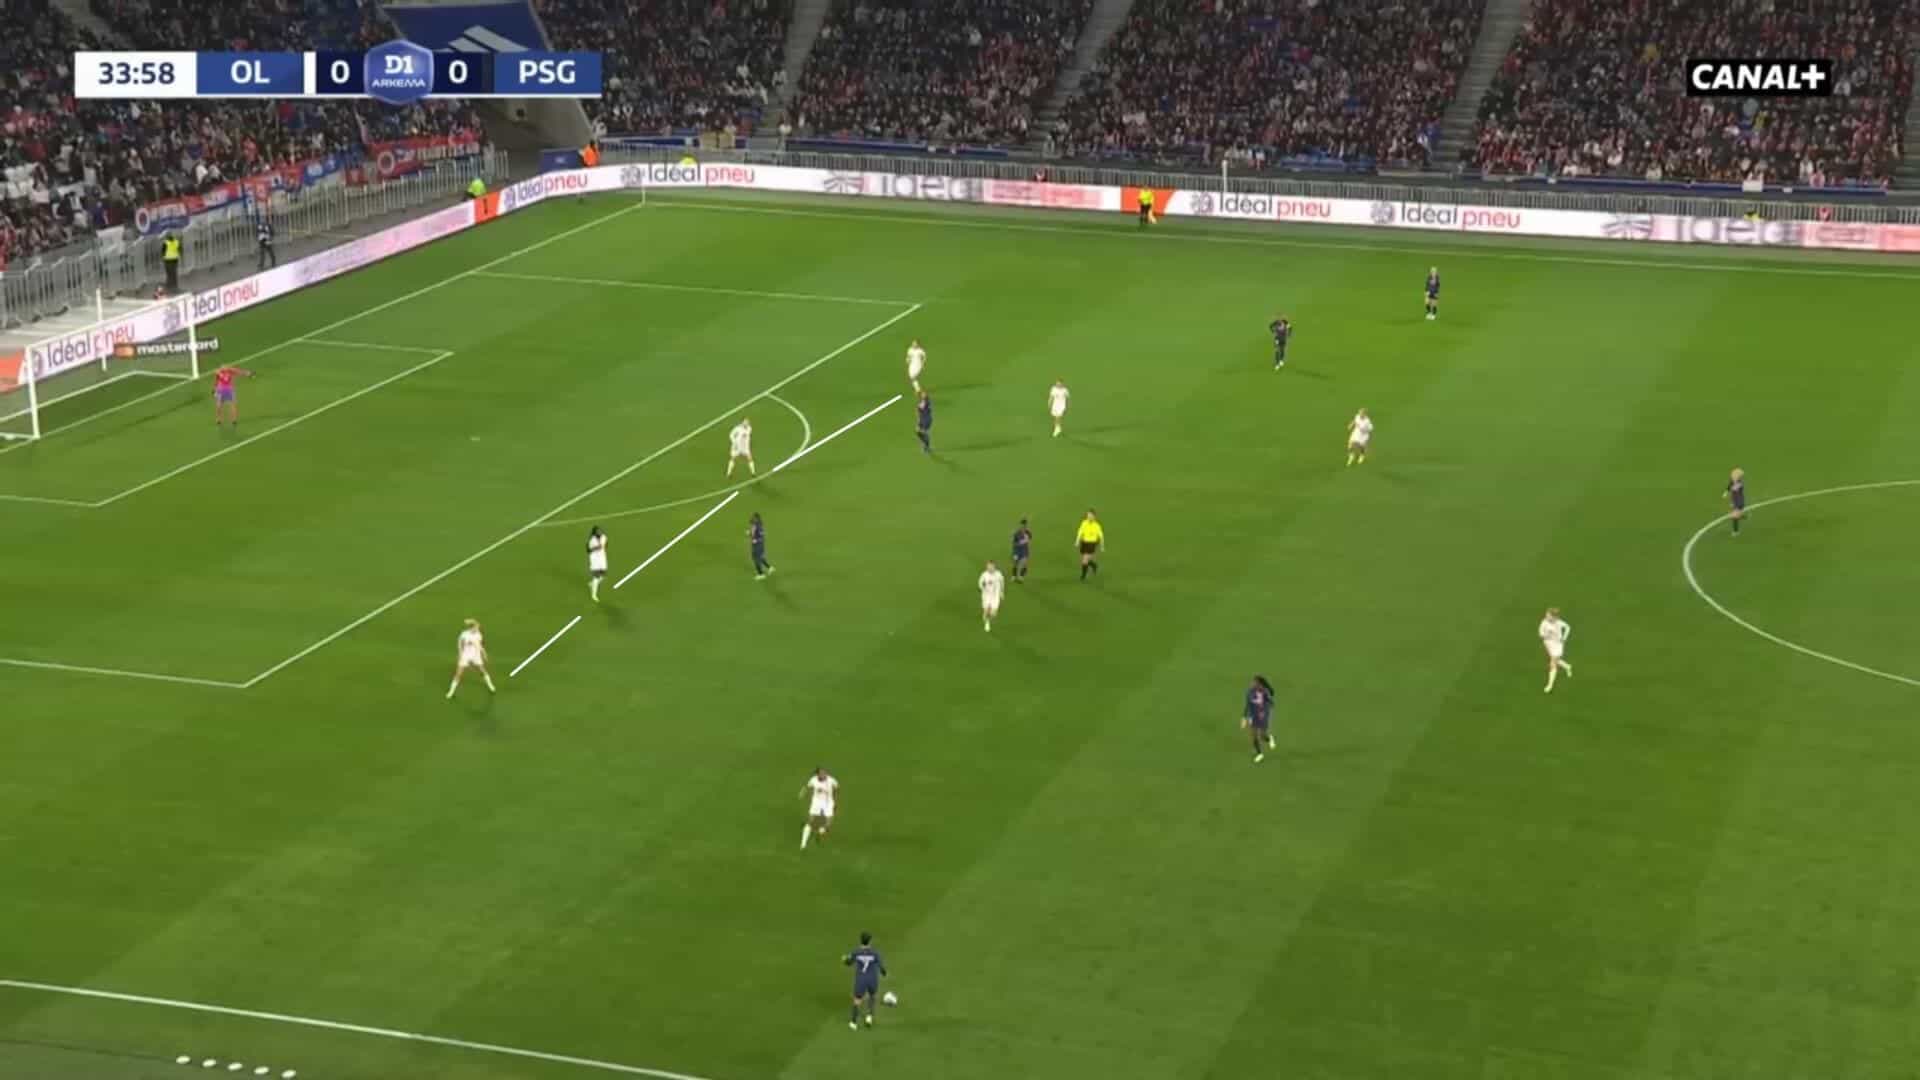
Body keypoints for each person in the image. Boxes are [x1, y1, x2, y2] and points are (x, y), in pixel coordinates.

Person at [843, 931, 887, 1029]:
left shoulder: (856, 952)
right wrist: (884, 973)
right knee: (872, 996)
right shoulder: (875, 953)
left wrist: (844, 959)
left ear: (861, 940)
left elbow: (848, 962)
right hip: (872, 979)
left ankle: (853, 1023)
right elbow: (882, 968)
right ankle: (869, 1017)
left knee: (857, 1000)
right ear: (870, 941)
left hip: (861, 979)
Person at [447, 619, 496, 698]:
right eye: (475, 628)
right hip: (465, 655)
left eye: (477, 628)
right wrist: (460, 654)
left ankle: (490, 686)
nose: (477, 629)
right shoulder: (464, 634)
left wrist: (484, 653)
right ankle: (451, 691)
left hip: (475, 655)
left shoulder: (479, 635)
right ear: (471, 628)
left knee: (482, 670)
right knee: (458, 673)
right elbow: (460, 645)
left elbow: (480, 645)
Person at [1241, 675, 1277, 763]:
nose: (1253, 684)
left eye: (1255, 682)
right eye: (1253, 682)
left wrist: (1265, 710)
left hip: (1263, 716)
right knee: (1253, 734)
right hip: (1253, 716)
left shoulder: (1264, 692)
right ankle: (1259, 754)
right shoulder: (1250, 692)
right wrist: (1244, 718)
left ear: (1260, 684)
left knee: (1262, 735)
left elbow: (1271, 703)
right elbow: (1247, 705)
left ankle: (1269, 738)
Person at [802, 766, 837, 849]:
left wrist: (835, 801)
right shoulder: (813, 780)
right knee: (810, 820)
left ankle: (821, 831)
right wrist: (803, 792)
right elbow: (807, 786)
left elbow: (837, 788)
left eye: (825, 772)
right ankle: (803, 843)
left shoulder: (831, 780)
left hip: (828, 802)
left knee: (829, 822)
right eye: (821, 773)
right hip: (816, 802)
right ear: (817, 774)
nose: (824, 774)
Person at [1539, 607, 1573, 693]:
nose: (1546, 616)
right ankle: (1567, 667)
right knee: (1555, 659)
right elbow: (1541, 631)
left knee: (1552, 663)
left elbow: (1568, 627)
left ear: (1554, 617)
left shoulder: (1559, 623)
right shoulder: (1544, 622)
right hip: (1548, 644)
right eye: (1547, 615)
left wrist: (1564, 638)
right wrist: (1544, 635)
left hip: (1557, 645)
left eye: (1548, 615)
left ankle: (1550, 685)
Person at [1075, 510, 1104, 581]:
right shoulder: (1084, 523)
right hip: (1084, 543)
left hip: (1092, 543)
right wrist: (1077, 541)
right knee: (1086, 559)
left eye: (1091, 515)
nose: (1089, 517)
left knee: (1084, 560)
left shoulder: (1097, 525)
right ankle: (1094, 565)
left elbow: (1101, 536)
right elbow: (1080, 532)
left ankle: (1083, 576)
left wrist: (1102, 546)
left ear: (1094, 517)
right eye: (1088, 515)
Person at [978, 560, 1005, 632]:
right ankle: (987, 622)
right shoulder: (984, 575)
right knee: (986, 612)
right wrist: (982, 588)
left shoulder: (998, 574)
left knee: (993, 614)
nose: (989, 568)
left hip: (995, 596)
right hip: (986, 595)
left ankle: (988, 618)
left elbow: (1002, 582)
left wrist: (1002, 592)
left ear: (994, 567)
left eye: (991, 566)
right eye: (988, 567)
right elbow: (980, 583)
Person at [747, 512, 774, 579]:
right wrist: (749, 533)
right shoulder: (754, 525)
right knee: (759, 557)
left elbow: (762, 537)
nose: (752, 518)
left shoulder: (759, 527)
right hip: (755, 545)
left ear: (757, 519)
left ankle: (761, 574)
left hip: (758, 545)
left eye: (754, 517)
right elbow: (753, 534)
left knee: (756, 559)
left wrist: (756, 540)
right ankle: (770, 568)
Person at [587, 526, 609, 602]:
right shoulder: (592, 540)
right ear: (594, 533)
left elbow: (606, 544)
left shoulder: (604, 537)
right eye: (597, 531)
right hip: (594, 559)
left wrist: (603, 548)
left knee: (603, 575)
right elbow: (588, 550)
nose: (599, 532)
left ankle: (592, 583)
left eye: (600, 531)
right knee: (596, 576)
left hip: (602, 558)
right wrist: (596, 548)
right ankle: (594, 595)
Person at [1011, 517, 1033, 582]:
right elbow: (1014, 543)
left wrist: (1027, 540)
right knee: (1015, 563)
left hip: (1024, 550)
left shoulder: (1028, 532)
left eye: (1025, 525)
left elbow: (1030, 539)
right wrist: (1020, 543)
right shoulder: (1016, 533)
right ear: (1020, 525)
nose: (1023, 527)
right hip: (1017, 550)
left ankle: (1021, 576)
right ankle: (1014, 576)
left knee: (1024, 563)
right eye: (1022, 525)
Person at [1725, 468, 1746, 535]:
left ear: (1738, 477)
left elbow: (1734, 488)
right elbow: (1730, 486)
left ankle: (1736, 531)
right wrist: (1726, 492)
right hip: (1734, 501)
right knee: (1735, 515)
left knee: (1734, 516)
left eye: (1734, 475)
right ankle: (1742, 516)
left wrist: (1729, 490)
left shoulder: (1740, 484)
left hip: (1739, 502)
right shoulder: (1732, 481)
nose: (1732, 476)